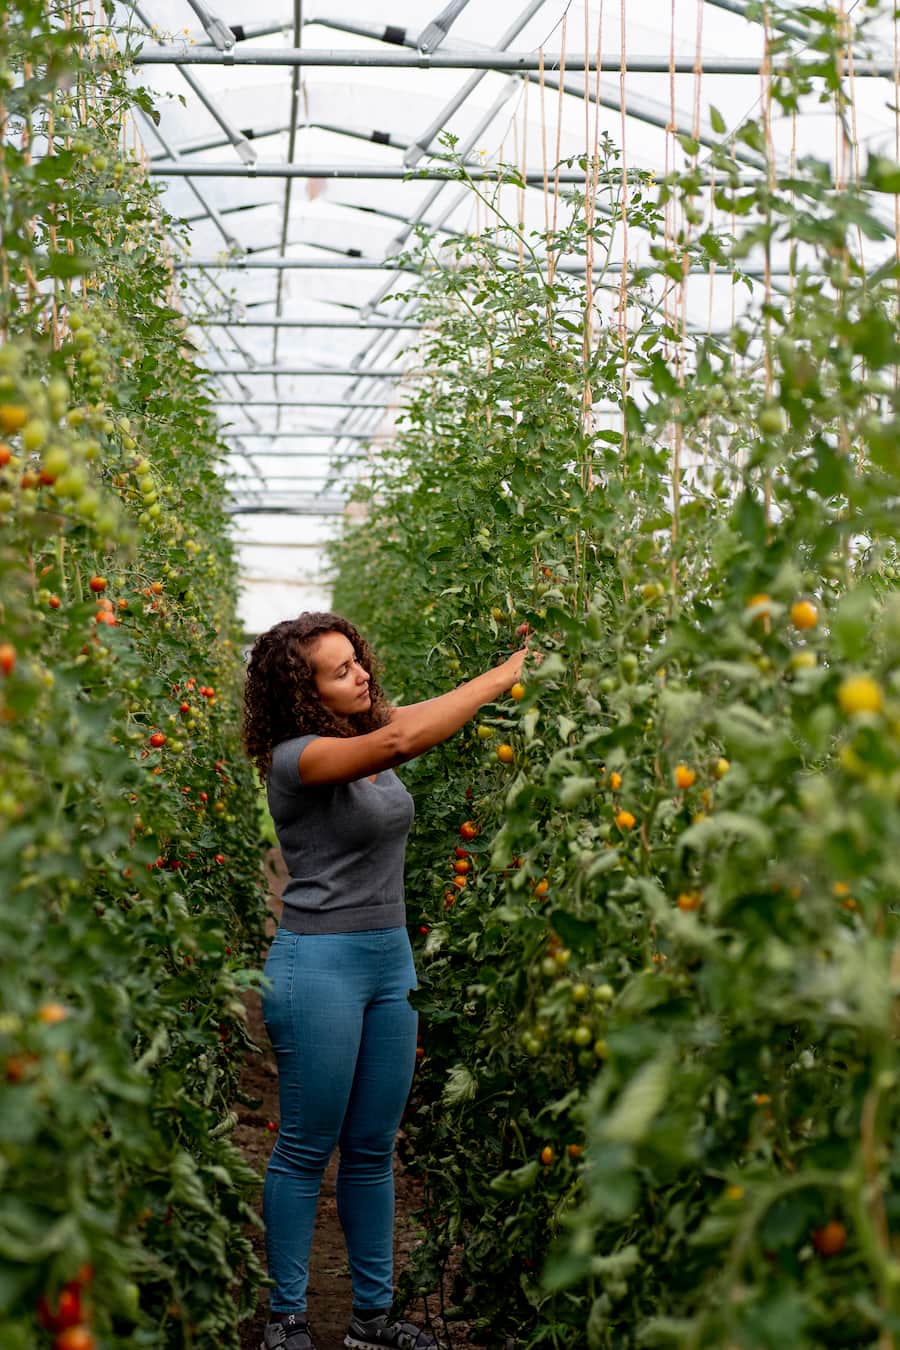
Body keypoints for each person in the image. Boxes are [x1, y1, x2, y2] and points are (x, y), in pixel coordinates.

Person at [241, 611, 528, 1350]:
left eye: (357, 660)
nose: (361, 674)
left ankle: (372, 1319)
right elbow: (401, 738)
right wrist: (504, 679)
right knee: (306, 1146)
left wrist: (518, 663)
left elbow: (417, 719)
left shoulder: (362, 733)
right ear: (302, 694)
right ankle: (287, 1320)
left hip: (387, 962)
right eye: (340, 672)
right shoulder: (296, 758)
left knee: (372, 1145)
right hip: (319, 965)